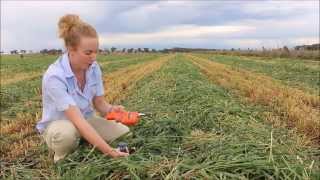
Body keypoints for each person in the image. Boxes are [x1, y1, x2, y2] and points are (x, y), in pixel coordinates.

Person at [36, 14, 130, 162]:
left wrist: (111, 110)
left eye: (95, 51)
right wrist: (109, 151)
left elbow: (99, 103)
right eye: (88, 53)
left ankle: (85, 138)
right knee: (65, 137)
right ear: (71, 50)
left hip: (86, 119)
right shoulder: (54, 76)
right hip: (61, 124)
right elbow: (77, 120)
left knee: (123, 132)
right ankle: (61, 157)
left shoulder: (93, 68)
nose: (94, 57)